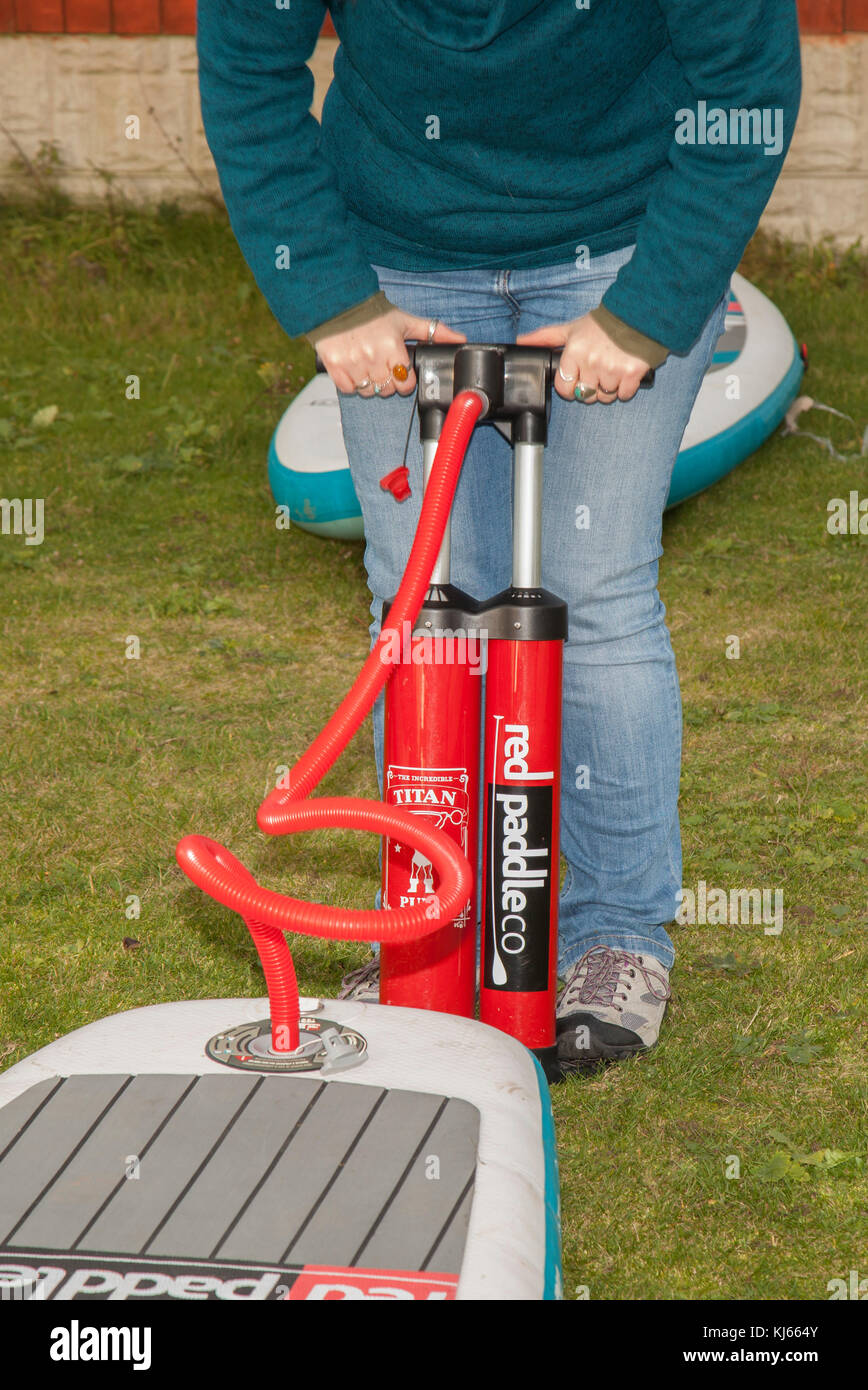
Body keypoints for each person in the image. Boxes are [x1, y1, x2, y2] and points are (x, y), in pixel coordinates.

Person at [197, 1, 802, 1065]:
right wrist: (336, 300)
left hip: (621, 237)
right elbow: (249, 72)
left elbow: (743, 93)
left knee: (593, 589)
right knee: (427, 600)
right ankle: (432, 928)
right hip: (398, 255)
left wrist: (646, 311)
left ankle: (613, 938)